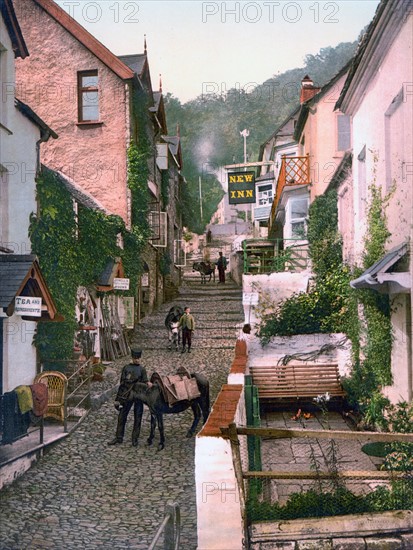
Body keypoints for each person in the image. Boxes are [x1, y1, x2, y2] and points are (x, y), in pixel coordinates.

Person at [108, 348, 149, 447]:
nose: (137, 360)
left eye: (138, 358)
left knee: (138, 417)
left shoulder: (142, 370)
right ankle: (119, 437)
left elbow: (144, 384)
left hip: (138, 396)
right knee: (122, 416)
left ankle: (135, 439)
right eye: (135, 358)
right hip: (126, 395)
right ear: (132, 357)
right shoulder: (126, 368)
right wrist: (118, 399)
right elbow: (122, 384)